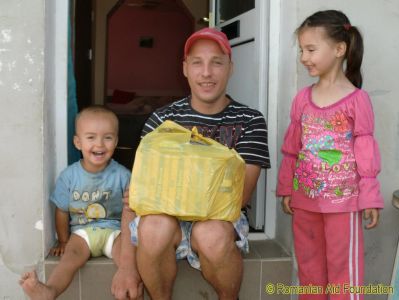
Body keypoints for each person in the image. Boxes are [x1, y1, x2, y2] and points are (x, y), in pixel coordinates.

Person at [111, 27, 270, 300]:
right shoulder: (162, 121)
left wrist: (171, 190)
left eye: (216, 62)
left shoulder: (250, 121)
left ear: (230, 68)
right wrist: (127, 267)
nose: (206, 73)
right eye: (197, 62)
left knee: (210, 233)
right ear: (185, 68)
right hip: (168, 221)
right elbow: (136, 197)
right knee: (153, 226)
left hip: (220, 221)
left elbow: (238, 197)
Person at [277, 10, 384, 300]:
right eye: (301, 50)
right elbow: (291, 149)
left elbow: (366, 152)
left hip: (343, 203)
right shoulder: (302, 99)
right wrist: (287, 187)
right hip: (305, 202)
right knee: (310, 271)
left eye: (311, 49)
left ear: (339, 49)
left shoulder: (357, 100)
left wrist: (370, 196)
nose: (303, 57)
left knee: (343, 275)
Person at [19, 106, 131, 300]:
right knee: (69, 258)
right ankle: (49, 290)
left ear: (116, 141)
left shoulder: (123, 175)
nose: (100, 144)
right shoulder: (69, 176)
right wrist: (63, 240)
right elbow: (61, 210)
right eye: (91, 137)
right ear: (77, 142)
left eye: (108, 137)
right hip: (82, 232)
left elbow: (133, 209)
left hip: (114, 231)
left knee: (128, 260)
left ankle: (130, 289)